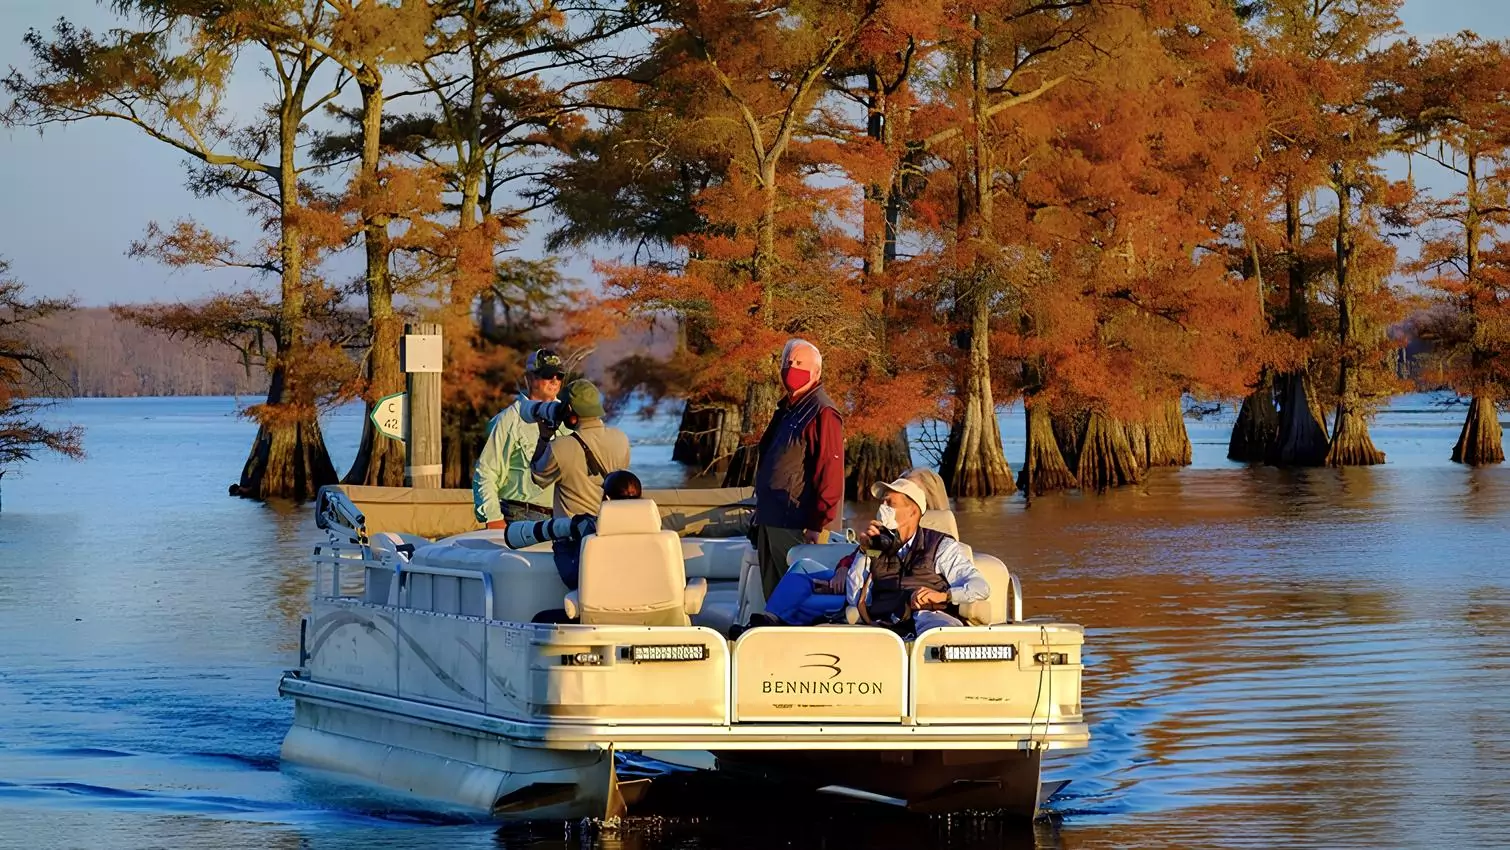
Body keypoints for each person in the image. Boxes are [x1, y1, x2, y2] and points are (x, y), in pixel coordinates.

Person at [750, 338, 845, 601]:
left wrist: (818, 524)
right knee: (773, 595)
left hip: (797, 522)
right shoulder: (787, 409)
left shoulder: (823, 412)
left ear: (816, 372)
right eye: (788, 362)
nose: (791, 367)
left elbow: (830, 473)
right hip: (770, 517)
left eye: (799, 363)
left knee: (798, 594)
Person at [844, 477, 987, 635]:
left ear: (912, 511)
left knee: (941, 634)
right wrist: (864, 551)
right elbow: (854, 598)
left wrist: (944, 596)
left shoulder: (940, 545)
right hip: (885, 625)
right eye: (882, 503)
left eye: (890, 503)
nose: (882, 508)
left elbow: (980, 587)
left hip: (929, 619)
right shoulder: (876, 547)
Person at [530, 379, 631, 590]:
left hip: (573, 541)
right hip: (611, 533)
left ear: (568, 410)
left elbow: (538, 476)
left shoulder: (561, 446)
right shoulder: (621, 439)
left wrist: (544, 437)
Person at [473, 348, 567, 529]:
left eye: (559, 375)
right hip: (520, 517)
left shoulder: (568, 418)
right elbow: (486, 471)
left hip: (562, 519)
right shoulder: (509, 419)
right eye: (547, 375)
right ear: (530, 378)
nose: (554, 380)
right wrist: (493, 519)